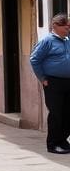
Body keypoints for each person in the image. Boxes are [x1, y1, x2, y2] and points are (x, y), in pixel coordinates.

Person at [30, 14, 70, 154]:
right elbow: (34, 59)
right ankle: (53, 144)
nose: (68, 28)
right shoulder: (47, 41)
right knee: (56, 113)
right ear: (55, 26)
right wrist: (42, 78)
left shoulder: (67, 41)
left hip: (68, 82)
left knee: (67, 113)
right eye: (65, 26)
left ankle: (63, 141)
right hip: (53, 82)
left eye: (68, 25)